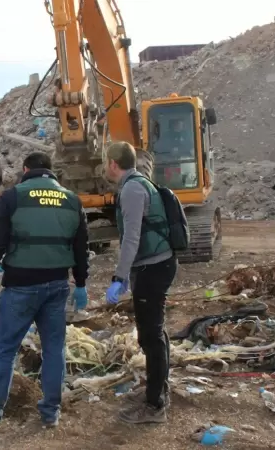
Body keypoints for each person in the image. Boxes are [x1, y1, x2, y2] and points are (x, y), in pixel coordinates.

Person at [0, 151, 90, 431]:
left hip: (20, 286)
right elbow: (80, 247)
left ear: (26, 170)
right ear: (51, 172)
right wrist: (82, 283)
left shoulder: (12, 197)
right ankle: (50, 413)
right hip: (57, 286)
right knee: (54, 350)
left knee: (5, 351)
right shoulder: (72, 200)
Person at [103, 141, 177, 424]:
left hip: (153, 268)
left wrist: (120, 277)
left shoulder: (133, 189)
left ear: (113, 163)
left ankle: (155, 406)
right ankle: (158, 388)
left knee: (150, 336)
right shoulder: (140, 182)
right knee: (155, 332)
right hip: (155, 264)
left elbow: (131, 237)